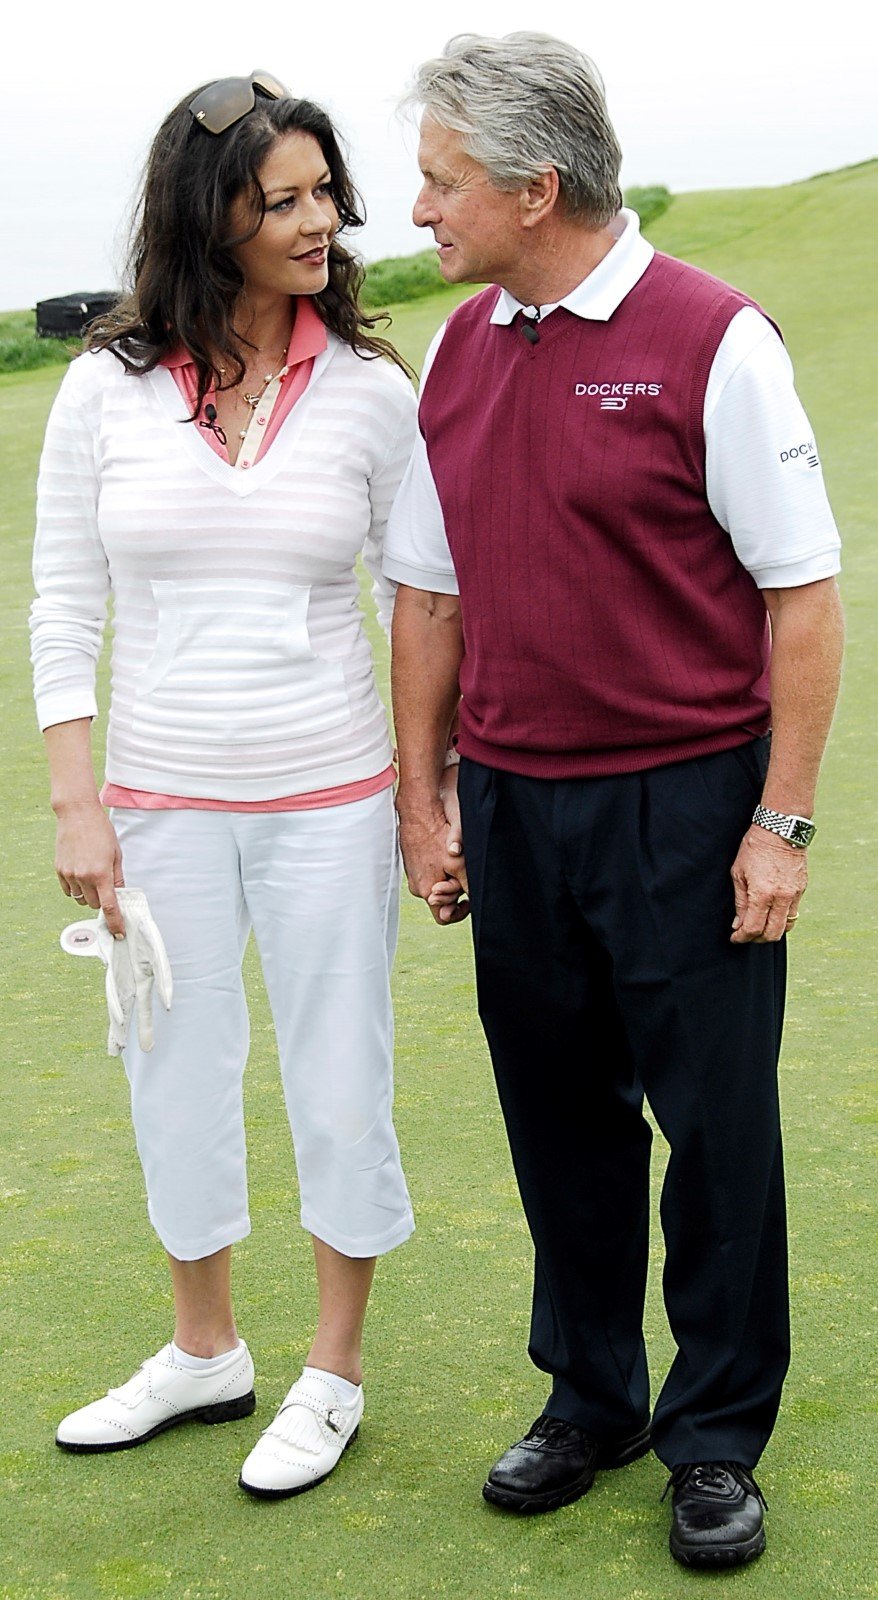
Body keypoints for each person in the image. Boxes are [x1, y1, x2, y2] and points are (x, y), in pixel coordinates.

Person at [384, 32, 843, 1568]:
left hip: (685, 804)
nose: (418, 208)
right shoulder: (457, 350)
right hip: (517, 803)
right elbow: (429, 597)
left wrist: (778, 823)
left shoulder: (713, 337)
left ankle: (714, 1437)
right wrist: (422, 799)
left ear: (536, 184)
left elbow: (801, 598)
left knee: (714, 1129)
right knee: (559, 1121)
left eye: (442, 181)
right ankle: (591, 1396)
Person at [31, 71, 417, 1499]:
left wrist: (426, 800)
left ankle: (332, 1367)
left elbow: (419, 606)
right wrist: (80, 804)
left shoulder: (376, 388)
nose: (320, 220)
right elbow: (63, 609)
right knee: (171, 1076)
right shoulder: (101, 389)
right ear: (213, 218)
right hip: (158, 806)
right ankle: (206, 1352)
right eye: (283, 200)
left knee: (339, 1077)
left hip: (333, 804)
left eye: (326, 193)